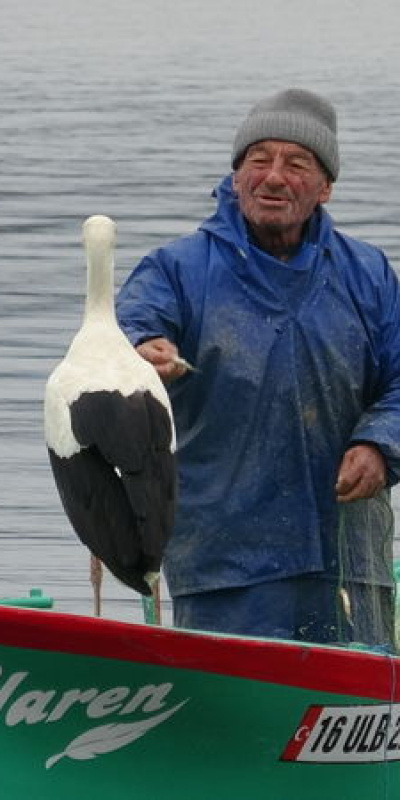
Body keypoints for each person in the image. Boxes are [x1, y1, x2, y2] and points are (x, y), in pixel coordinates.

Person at [116, 88, 400, 649]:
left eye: (296, 163)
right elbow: (120, 330)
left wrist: (379, 446)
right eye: (258, 159)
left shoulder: (367, 274)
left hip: (351, 557)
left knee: (353, 706)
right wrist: (144, 349)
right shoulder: (176, 269)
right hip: (227, 564)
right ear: (237, 173)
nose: (273, 177)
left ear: (326, 187)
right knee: (235, 708)